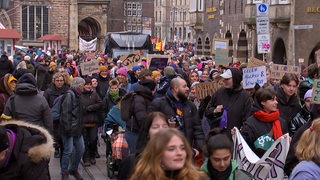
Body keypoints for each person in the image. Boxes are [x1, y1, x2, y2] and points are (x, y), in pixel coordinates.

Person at [149, 77, 204, 152]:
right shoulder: (159, 104)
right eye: (184, 86)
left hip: (187, 150)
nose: (188, 89)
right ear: (176, 88)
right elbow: (149, 129)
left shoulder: (190, 105)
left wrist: (199, 148)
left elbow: (197, 128)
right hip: (166, 151)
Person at [130, 128, 208, 180]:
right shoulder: (142, 177)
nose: (179, 153)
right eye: (171, 149)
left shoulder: (199, 177)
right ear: (157, 154)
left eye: (182, 148)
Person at [118, 111, 170, 179]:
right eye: (155, 127)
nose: (161, 130)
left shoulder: (174, 161)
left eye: (165, 126)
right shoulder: (131, 162)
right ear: (147, 132)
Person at [240, 87, 288, 157]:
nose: (276, 102)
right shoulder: (250, 123)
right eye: (272, 100)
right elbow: (245, 147)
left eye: (276, 99)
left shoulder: (281, 121)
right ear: (263, 102)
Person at [205, 68, 251, 137]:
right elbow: (207, 112)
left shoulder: (245, 96)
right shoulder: (219, 92)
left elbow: (247, 120)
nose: (223, 81)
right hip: (217, 137)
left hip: (234, 138)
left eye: (227, 79)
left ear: (235, 79)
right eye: (223, 78)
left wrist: (240, 132)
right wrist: (214, 111)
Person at [60, 77, 85, 180]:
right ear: (78, 86)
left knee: (80, 149)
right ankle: (64, 171)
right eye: (82, 85)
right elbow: (65, 113)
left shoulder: (78, 95)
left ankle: (73, 168)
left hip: (77, 128)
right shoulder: (70, 95)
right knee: (68, 151)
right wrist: (67, 129)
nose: (83, 87)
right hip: (69, 129)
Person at [125, 79, 157, 154]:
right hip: (135, 133)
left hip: (138, 131)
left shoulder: (143, 96)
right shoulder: (139, 99)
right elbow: (142, 118)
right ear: (152, 89)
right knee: (137, 158)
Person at [43, 72, 69, 158]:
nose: (59, 82)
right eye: (57, 80)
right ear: (54, 81)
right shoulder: (48, 91)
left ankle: (63, 148)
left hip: (65, 115)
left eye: (61, 80)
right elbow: (45, 104)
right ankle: (56, 148)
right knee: (55, 134)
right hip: (54, 117)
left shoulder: (67, 90)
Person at [80, 78, 103, 166]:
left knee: (93, 140)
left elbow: (100, 103)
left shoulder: (94, 94)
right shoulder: (80, 95)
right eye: (87, 84)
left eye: (90, 84)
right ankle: (86, 158)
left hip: (93, 121)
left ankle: (92, 155)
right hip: (83, 122)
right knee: (84, 141)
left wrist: (90, 108)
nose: (88, 86)